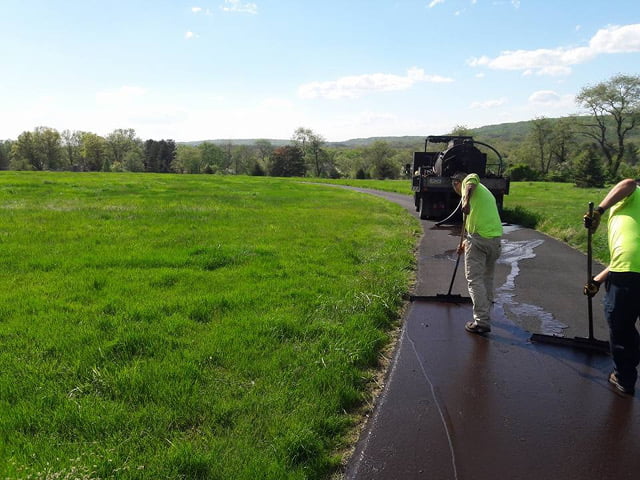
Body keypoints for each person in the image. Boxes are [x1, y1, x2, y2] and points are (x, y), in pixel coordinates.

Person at [583, 178, 640, 397]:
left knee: (621, 324)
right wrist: (598, 280)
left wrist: (599, 210)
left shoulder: (633, 193)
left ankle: (624, 376)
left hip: (628, 275)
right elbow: (626, 258)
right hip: (627, 269)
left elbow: (628, 183)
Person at [451, 172, 503, 334]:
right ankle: (486, 312)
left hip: (480, 240)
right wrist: (466, 242)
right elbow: (479, 221)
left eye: (455, 186)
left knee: (474, 280)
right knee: (487, 278)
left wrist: (465, 200)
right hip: (494, 240)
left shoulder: (470, 182)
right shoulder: (482, 194)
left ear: (456, 183)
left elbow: (471, 180)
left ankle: (481, 321)